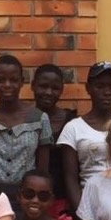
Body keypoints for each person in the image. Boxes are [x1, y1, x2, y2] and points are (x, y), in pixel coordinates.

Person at [0, 54, 53, 190]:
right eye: (1, 80)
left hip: (27, 196)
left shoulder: (39, 119)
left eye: (13, 80)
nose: (7, 85)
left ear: (22, 82)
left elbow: (43, 170)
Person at [57, 61, 111, 208]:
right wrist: (83, 213)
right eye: (100, 86)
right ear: (88, 88)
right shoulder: (73, 128)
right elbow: (70, 179)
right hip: (91, 205)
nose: (107, 92)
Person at [32, 63, 76, 209]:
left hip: (65, 201)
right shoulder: (24, 121)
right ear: (33, 86)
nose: (48, 92)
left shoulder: (72, 122)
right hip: (31, 200)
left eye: (55, 88)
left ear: (61, 90)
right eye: (43, 86)